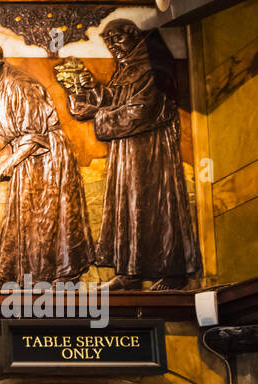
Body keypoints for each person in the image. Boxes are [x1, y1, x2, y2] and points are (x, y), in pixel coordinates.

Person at [62, 20, 200, 290]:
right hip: (127, 152)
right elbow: (116, 98)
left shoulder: (152, 68)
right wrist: (90, 88)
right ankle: (130, 272)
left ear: (135, 37)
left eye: (117, 40)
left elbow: (140, 111)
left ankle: (171, 271)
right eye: (109, 42)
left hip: (151, 153)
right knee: (127, 207)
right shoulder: (128, 69)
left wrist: (97, 114)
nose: (113, 46)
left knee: (154, 207)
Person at [0, 39, 92, 289]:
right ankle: (8, 275)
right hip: (28, 155)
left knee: (48, 216)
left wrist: (10, 162)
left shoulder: (20, 84)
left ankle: (61, 277)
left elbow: (35, 133)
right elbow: (3, 126)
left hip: (48, 157)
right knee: (21, 214)